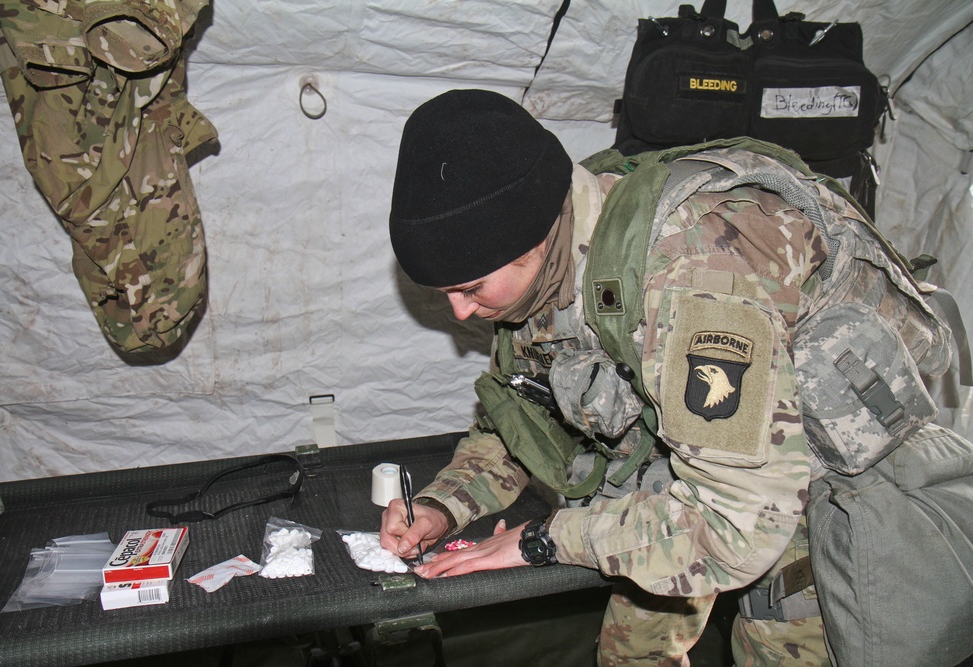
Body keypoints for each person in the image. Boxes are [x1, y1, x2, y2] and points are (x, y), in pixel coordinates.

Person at [378, 88, 944, 666]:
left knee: (778, 645)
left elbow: (733, 529)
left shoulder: (693, 276)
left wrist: (545, 540)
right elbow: (519, 421)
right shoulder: (546, 271)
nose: (461, 314)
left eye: (470, 289)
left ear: (534, 235)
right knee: (631, 654)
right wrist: (442, 507)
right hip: (687, 472)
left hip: (806, 485)